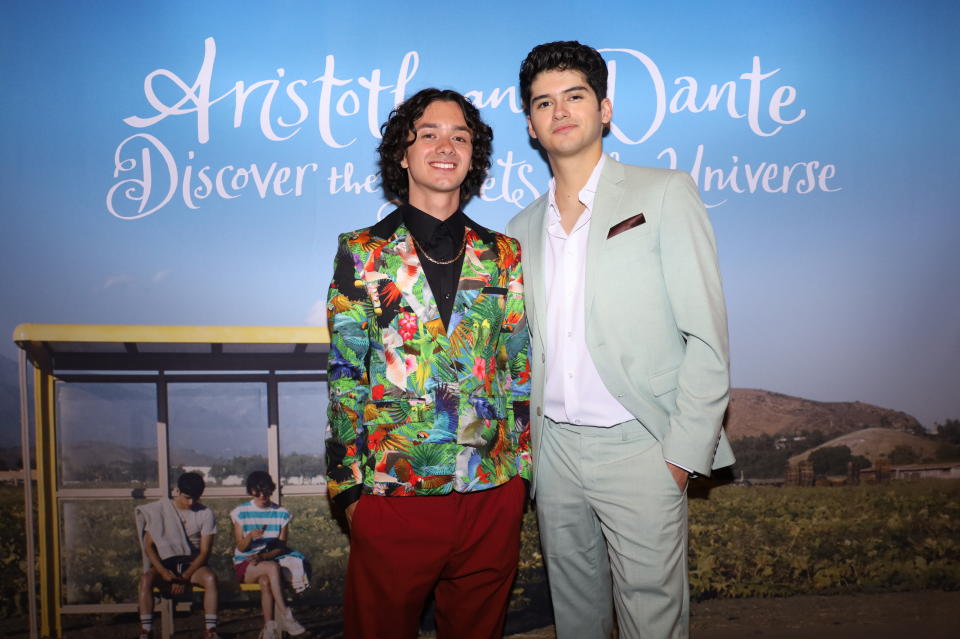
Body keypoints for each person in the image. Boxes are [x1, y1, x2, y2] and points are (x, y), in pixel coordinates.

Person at [506, 41, 736, 639]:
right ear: (530, 125)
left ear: (604, 109)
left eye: (575, 96)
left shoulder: (664, 193)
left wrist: (681, 457)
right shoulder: (519, 229)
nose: (559, 110)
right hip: (554, 454)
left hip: (642, 447)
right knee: (575, 620)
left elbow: (707, 337)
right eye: (543, 102)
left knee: (652, 624)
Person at [325, 87, 531, 639]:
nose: (447, 145)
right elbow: (345, 376)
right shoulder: (363, 252)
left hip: (492, 489)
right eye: (430, 134)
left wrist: (522, 479)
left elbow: (519, 371)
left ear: (473, 155)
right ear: (403, 152)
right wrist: (348, 489)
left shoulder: (504, 254)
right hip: (395, 492)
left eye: (460, 136)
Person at [135, 472, 221, 639]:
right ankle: (146, 630)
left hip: (192, 563)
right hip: (166, 562)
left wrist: (185, 576)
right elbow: (149, 546)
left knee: (210, 578)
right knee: (146, 579)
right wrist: (162, 571)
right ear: (177, 491)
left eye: (196, 498)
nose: (191, 502)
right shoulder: (162, 511)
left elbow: (205, 552)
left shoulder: (205, 513)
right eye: (187, 497)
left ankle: (210, 630)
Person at [230, 471, 307, 639]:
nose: (262, 495)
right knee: (273, 568)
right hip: (245, 563)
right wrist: (249, 537)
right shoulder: (241, 512)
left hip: (265, 562)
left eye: (266, 490)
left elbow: (281, 548)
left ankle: (269, 628)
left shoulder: (281, 513)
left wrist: (262, 557)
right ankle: (287, 616)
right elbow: (241, 548)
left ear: (271, 490)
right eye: (257, 491)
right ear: (251, 491)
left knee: (266, 581)